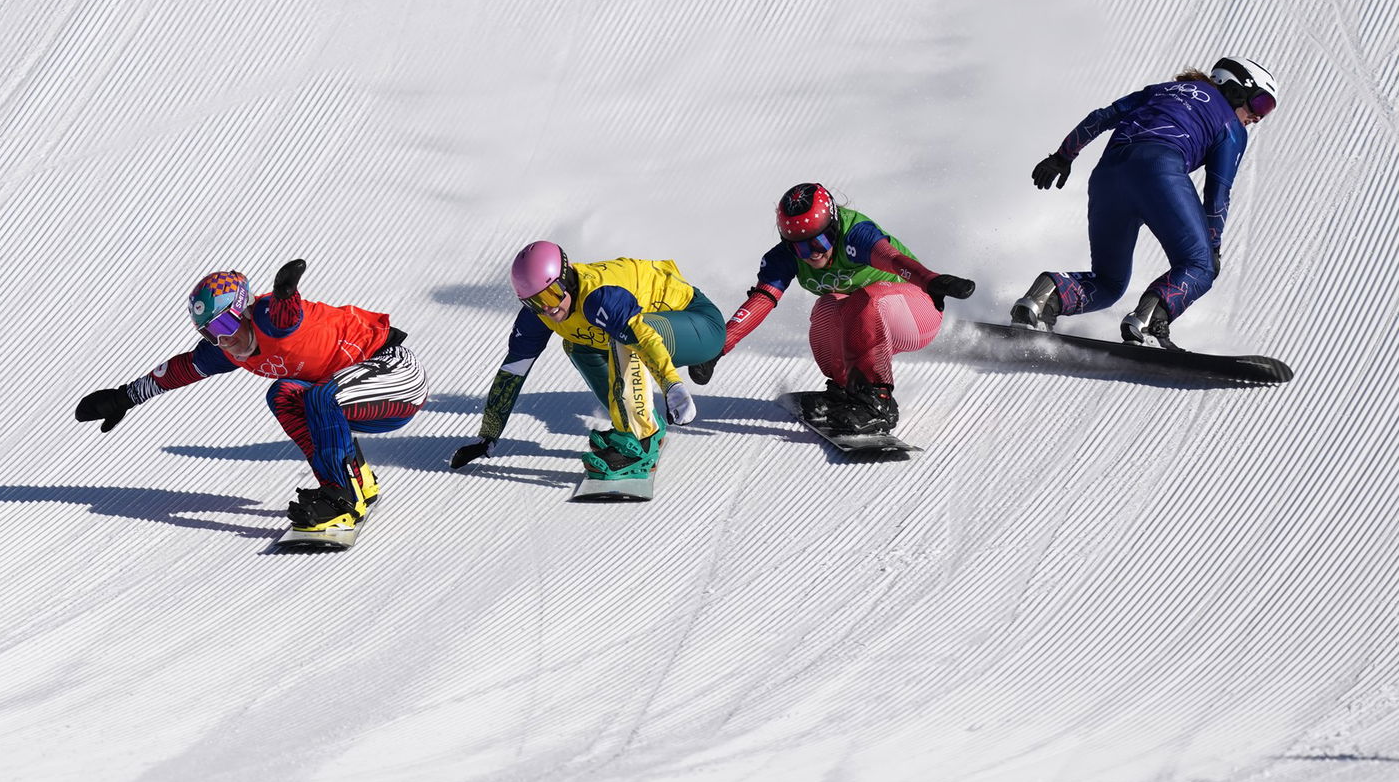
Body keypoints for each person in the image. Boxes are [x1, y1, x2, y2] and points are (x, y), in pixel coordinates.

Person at [74, 260, 427, 539]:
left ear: (245, 312)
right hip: (361, 394)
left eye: (225, 326)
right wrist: (125, 397)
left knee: (322, 396)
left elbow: (286, 314)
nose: (223, 341)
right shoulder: (231, 350)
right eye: (210, 334)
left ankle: (340, 499)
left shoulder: (269, 319)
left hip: (396, 375)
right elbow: (182, 368)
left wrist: (286, 291)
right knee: (284, 395)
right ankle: (353, 479)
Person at [1011, 56, 1279, 347]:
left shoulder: (1161, 90)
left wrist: (1063, 156)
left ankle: (1045, 297)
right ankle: (1148, 324)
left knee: (1109, 283)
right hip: (1159, 171)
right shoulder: (1231, 126)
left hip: (1107, 176)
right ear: (1235, 88)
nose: (1258, 117)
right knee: (1199, 266)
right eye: (1261, 103)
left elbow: (1101, 117)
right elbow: (1218, 193)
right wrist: (1213, 248)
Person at [693, 183, 975, 435]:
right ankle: (847, 388)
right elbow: (761, 301)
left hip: (916, 314)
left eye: (821, 241)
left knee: (867, 298)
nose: (814, 253)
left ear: (835, 226)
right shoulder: (785, 257)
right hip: (865, 324)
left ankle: (878, 402)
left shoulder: (855, 234)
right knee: (826, 307)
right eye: (801, 248)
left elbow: (892, 259)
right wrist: (718, 347)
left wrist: (931, 280)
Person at [449, 242, 726, 480]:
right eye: (535, 302)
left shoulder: (598, 297)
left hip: (699, 323)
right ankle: (641, 426)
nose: (548, 307)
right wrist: (488, 435)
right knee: (576, 342)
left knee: (620, 335)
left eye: (551, 294)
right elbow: (512, 371)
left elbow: (642, 339)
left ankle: (638, 444)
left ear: (567, 279)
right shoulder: (540, 315)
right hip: (655, 328)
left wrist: (671, 385)